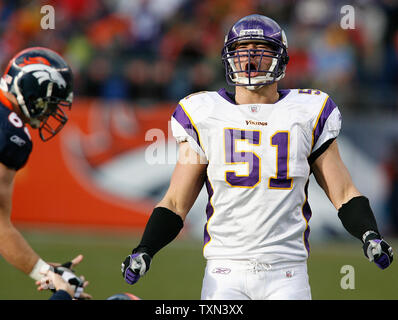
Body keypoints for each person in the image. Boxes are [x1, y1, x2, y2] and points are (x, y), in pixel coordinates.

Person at [121, 14, 393, 300]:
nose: (249, 57)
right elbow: (176, 202)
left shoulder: (308, 111)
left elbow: (344, 192)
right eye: (241, 49)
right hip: (224, 273)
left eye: (260, 49)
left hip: (288, 272)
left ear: (281, 59)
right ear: (229, 57)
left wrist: (369, 234)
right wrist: (145, 249)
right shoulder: (204, 113)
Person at [0, 47, 86, 298]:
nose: (50, 111)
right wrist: (46, 274)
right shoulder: (10, 134)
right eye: (48, 102)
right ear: (30, 89)